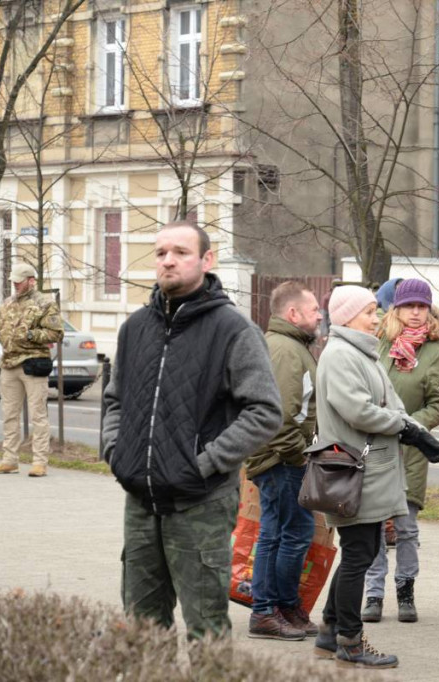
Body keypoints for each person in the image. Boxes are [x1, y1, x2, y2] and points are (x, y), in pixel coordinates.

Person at [101, 221, 283, 642]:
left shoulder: (234, 330)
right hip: (141, 502)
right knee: (142, 628)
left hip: (200, 503)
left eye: (181, 252)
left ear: (206, 260)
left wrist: (204, 463)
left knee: (206, 632)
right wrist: (116, 452)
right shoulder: (135, 328)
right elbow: (115, 400)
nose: (168, 261)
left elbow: (264, 411)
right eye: (161, 252)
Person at [310, 285, 439, 669]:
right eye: (369, 312)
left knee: (363, 551)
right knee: (358, 556)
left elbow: (390, 401)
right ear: (347, 317)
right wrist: (403, 427)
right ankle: (350, 642)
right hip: (354, 473)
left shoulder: (361, 351)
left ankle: (329, 632)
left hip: (368, 472)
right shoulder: (341, 355)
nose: (376, 318)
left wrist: (411, 426)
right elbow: (358, 410)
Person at [363, 279, 439, 624]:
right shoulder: (377, 342)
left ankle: (405, 592)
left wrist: (409, 425)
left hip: (410, 449)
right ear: (396, 309)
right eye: (409, 306)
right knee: (372, 526)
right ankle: (373, 594)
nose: (416, 313)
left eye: (422, 307)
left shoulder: (434, 351)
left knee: (406, 528)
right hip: (373, 447)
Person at [244, 282, 323, 641]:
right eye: (314, 309)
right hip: (280, 458)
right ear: (293, 314)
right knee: (285, 534)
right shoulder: (286, 351)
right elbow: (281, 417)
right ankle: (266, 610)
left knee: (283, 533)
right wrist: (297, 458)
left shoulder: (291, 346)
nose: (319, 315)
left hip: (280, 456)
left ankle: (283, 607)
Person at [0, 262, 63, 478]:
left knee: (38, 416)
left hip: (32, 364)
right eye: (13, 281)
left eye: (19, 282)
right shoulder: (8, 303)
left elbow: (56, 333)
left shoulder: (45, 303)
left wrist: (31, 335)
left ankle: (39, 462)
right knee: (9, 415)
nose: (15, 285)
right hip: (9, 363)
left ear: (31, 281)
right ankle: (9, 460)